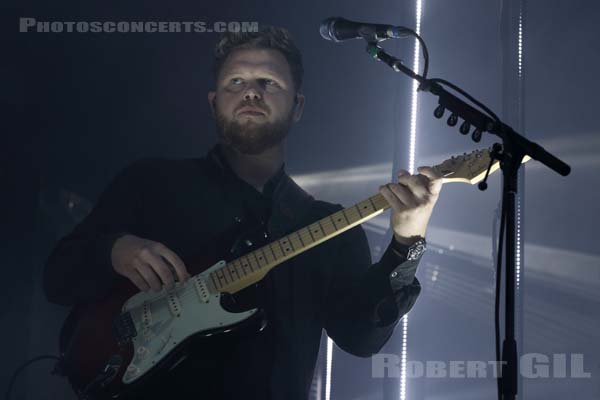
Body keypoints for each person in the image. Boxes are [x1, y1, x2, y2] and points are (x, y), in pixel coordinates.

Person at [43, 25, 443, 400]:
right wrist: (114, 249)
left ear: (297, 106)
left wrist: (406, 243)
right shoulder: (151, 183)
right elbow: (57, 279)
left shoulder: (325, 224)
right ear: (214, 102)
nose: (251, 92)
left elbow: (362, 338)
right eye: (236, 82)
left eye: (269, 83)